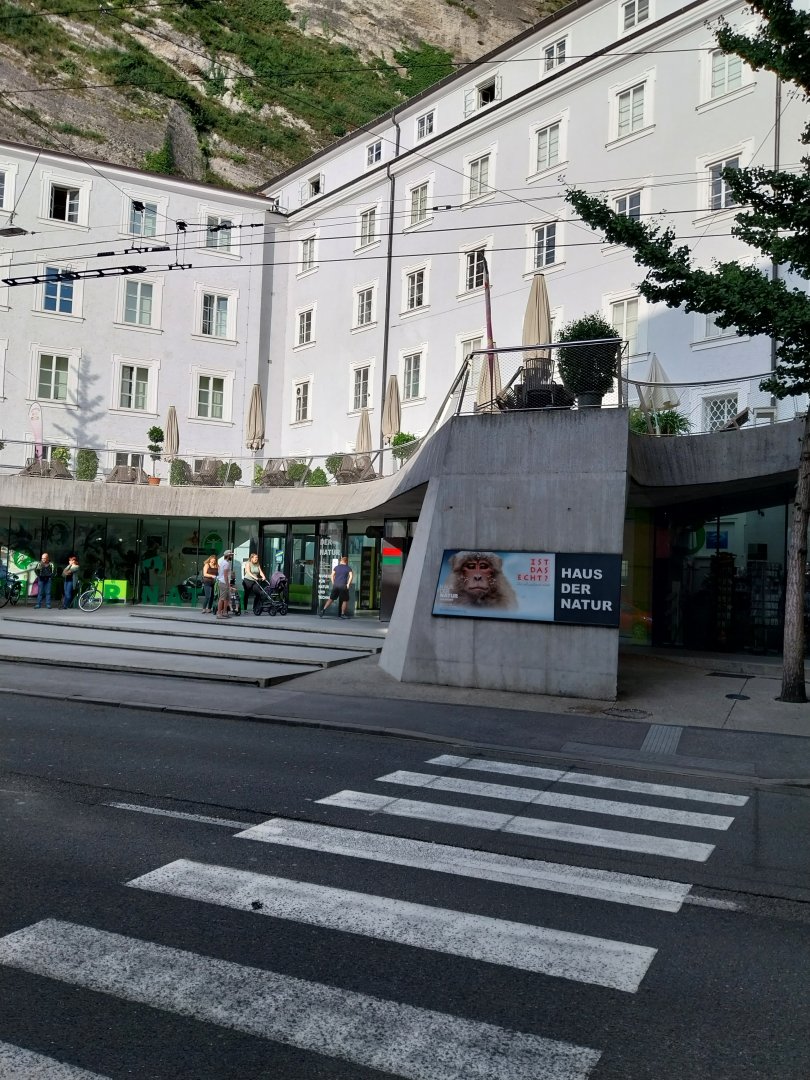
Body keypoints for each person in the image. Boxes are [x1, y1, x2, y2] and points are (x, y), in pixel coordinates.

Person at [319, 555, 353, 619]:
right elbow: (351, 576)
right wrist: (348, 584)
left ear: (341, 561)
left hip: (336, 585)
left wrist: (333, 582)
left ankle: (323, 610)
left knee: (331, 598)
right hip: (343, 585)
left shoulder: (336, 567)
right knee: (345, 600)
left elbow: (332, 575)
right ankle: (342, 614)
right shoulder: (348, 568)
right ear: (346, 561)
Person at [216, 550, 234, 619]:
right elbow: (225, 575)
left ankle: (224, 612)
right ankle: (219, 613)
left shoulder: (223, 562)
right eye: (231, 555)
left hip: (222, 582)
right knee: (222, 598)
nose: (232, 556)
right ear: (228, 555)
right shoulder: (226, 563)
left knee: (226, 598)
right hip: (224, 582)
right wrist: (228, 585)